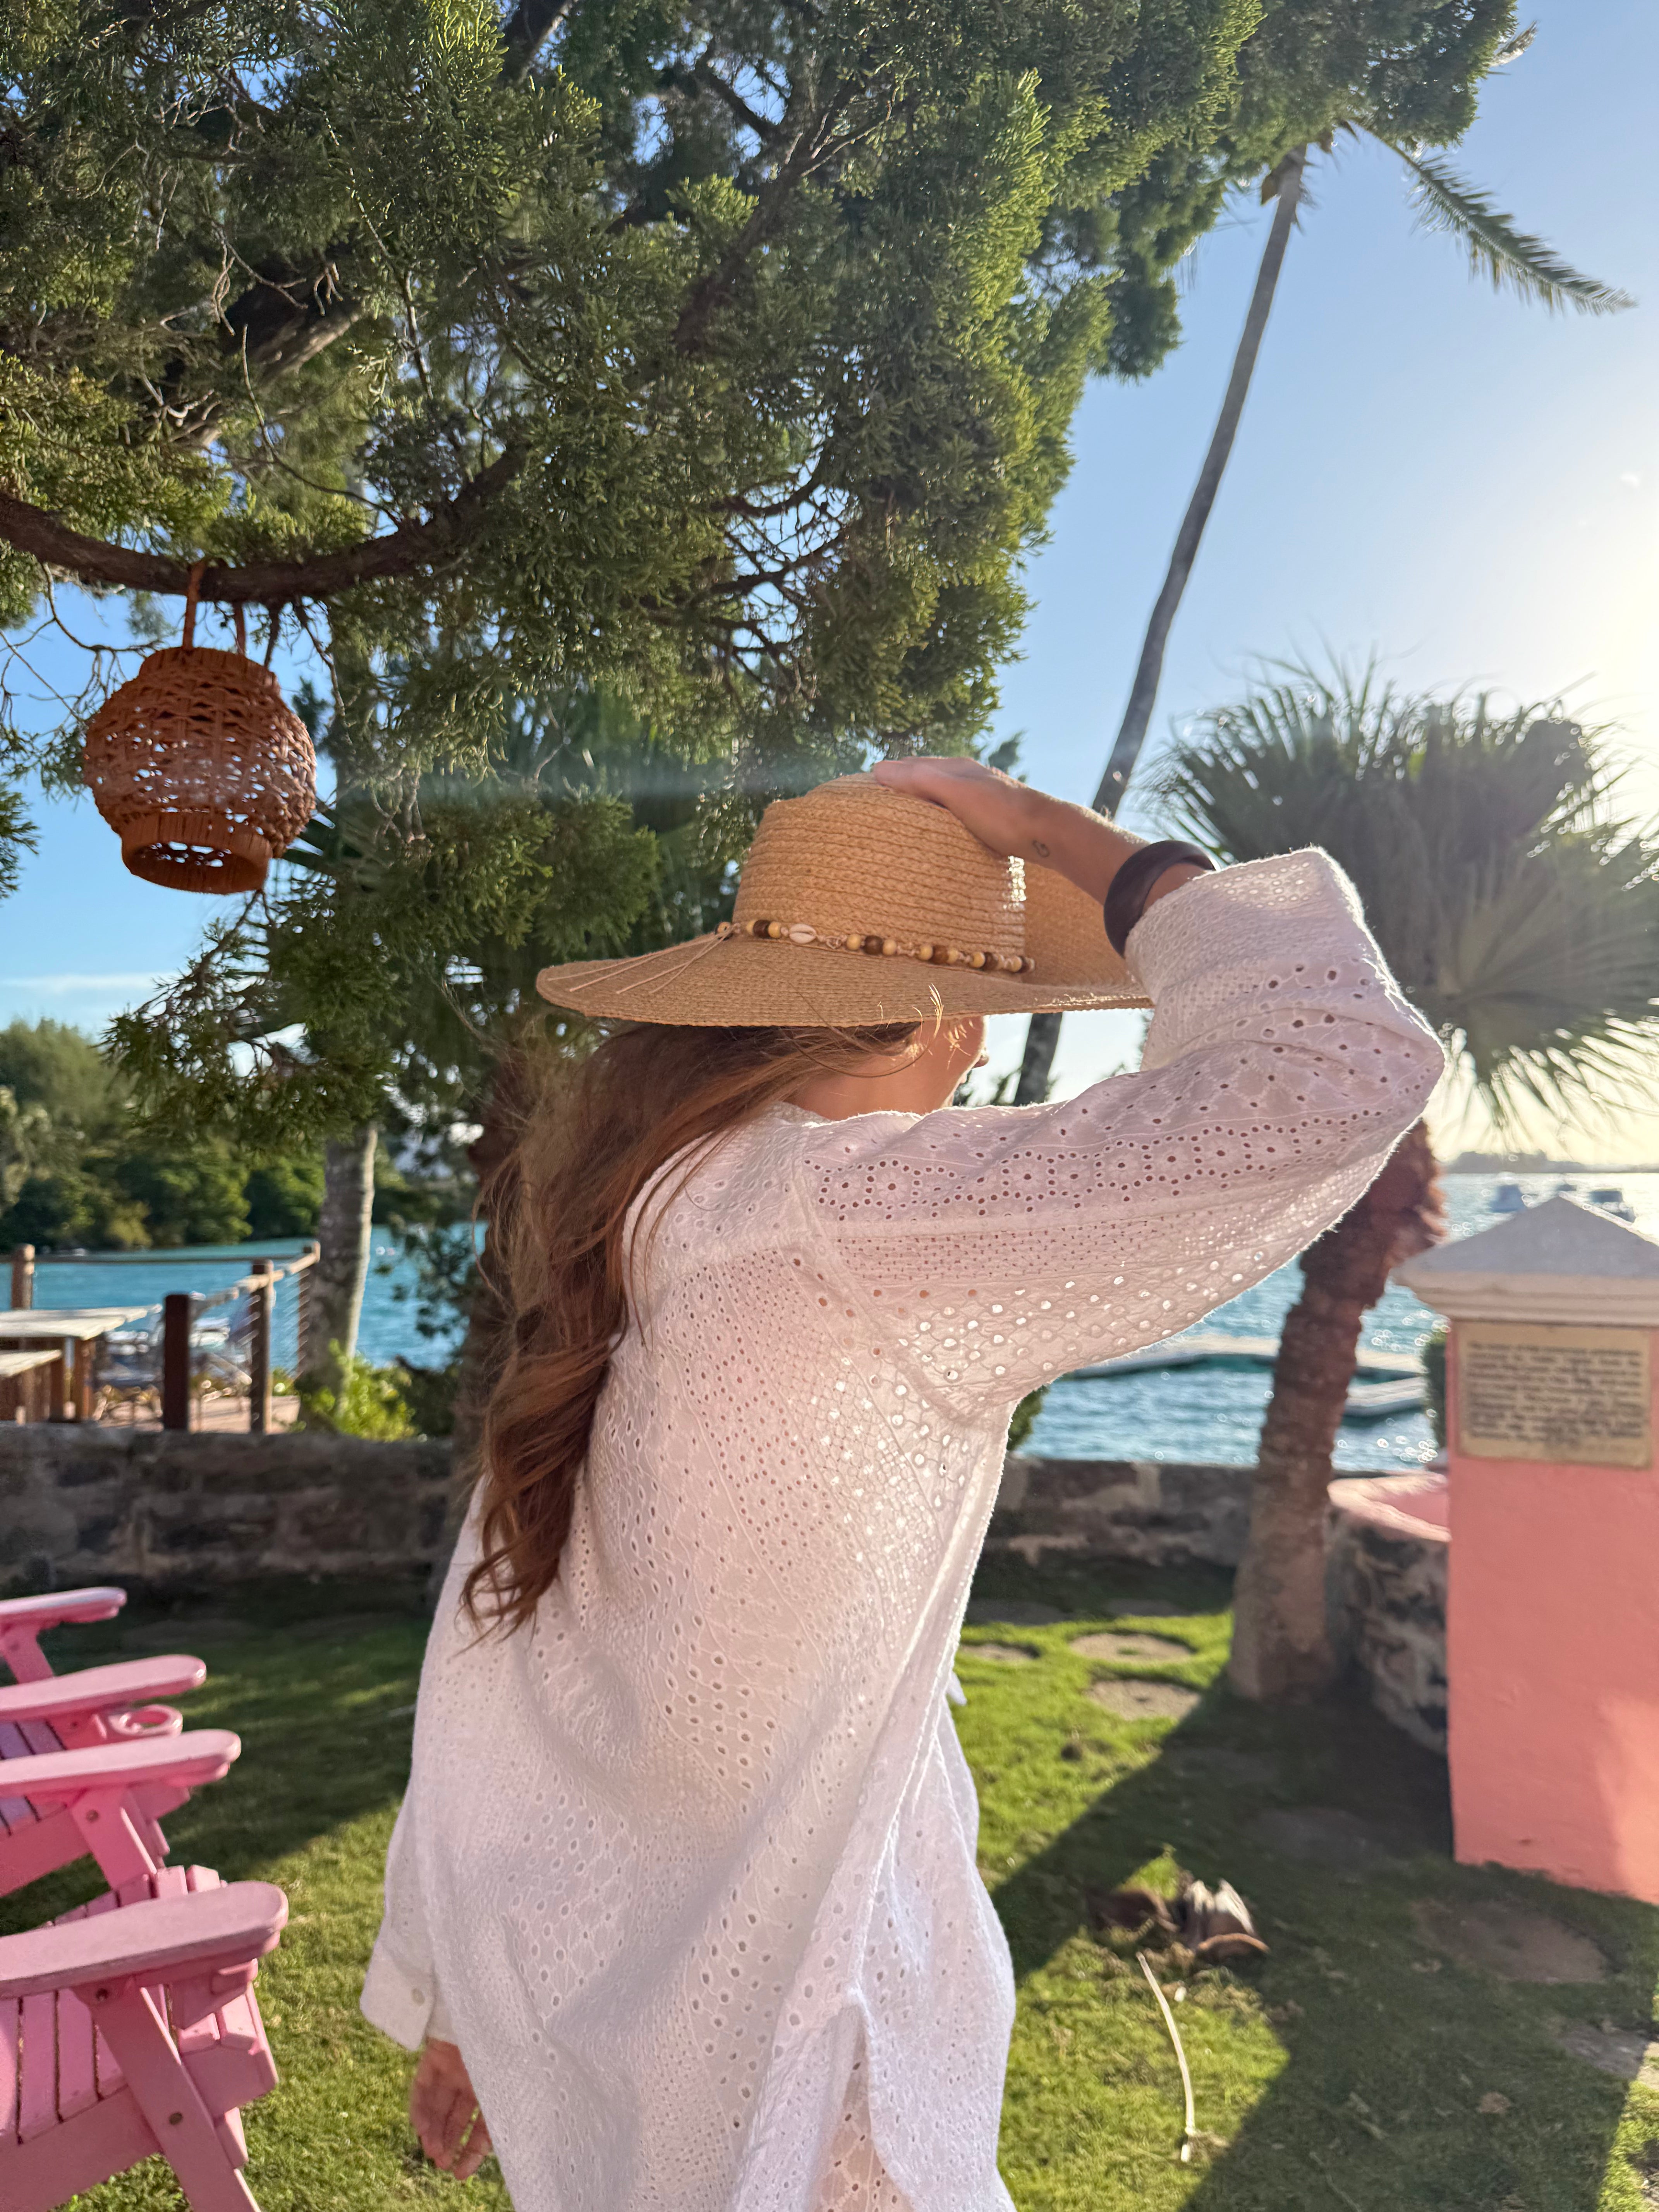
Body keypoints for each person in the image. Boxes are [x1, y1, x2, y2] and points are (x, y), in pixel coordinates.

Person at [361, 758, 1443, 2210]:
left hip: (628, 1998)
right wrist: (1066, 841)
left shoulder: (652, 1216)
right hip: (813, 2029)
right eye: (984, 1005)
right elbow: (1337, 1061)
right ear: (945, 1017)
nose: (981, 1053)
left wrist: (457, 1988)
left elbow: (498, 1642)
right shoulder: (858, 1217)